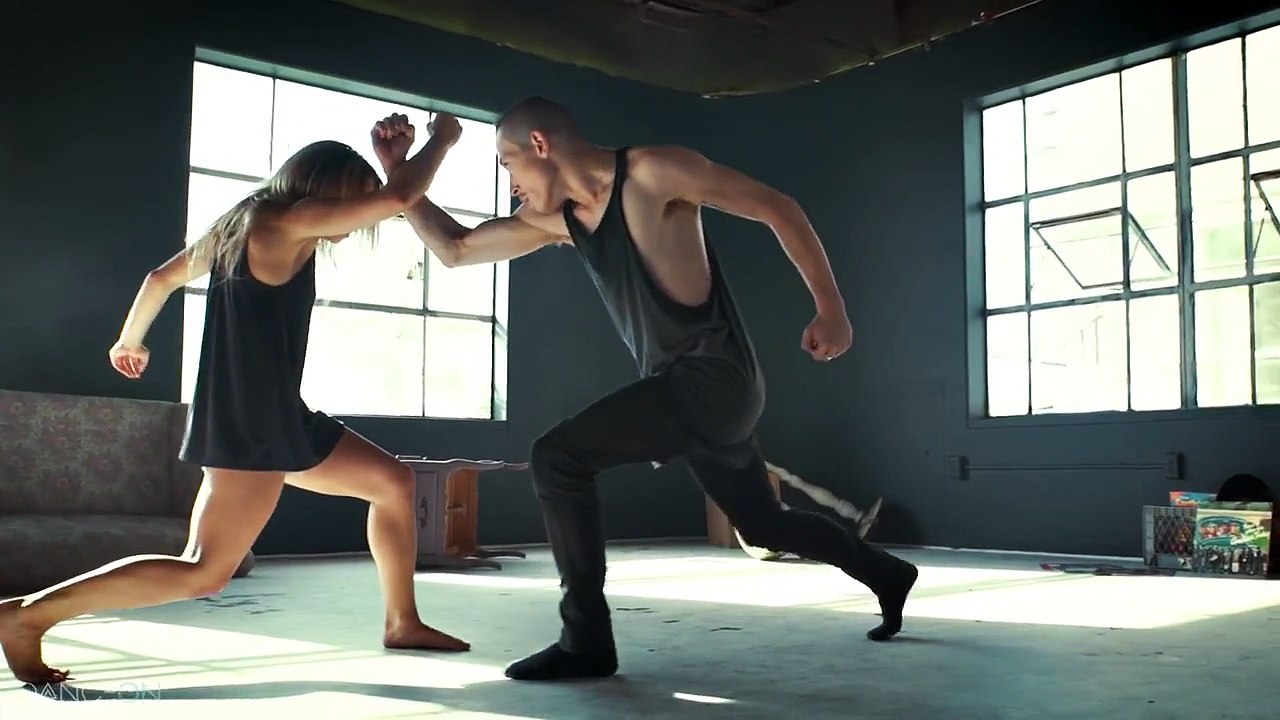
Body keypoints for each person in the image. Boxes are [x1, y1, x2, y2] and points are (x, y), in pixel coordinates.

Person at [373, 98, 919, 682]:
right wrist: (397, 175)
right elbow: (455, 248)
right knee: (762, 524)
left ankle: (586, 641)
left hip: (713, 381)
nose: (511, 186)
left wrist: (831, 308)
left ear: (539, 145)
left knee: (557, 458)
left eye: (508, 165)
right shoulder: (563, 221)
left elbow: (776, 206)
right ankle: (888, 574)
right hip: (690, 391)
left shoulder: (654, 172)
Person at [0, 113, 471, 686]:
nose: (353, 223)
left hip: (276, 415)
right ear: (323, 193)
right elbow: (398, 197)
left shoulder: (243, 223)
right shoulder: (286, 221)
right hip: (253, 425)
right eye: (352, 203)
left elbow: (159, 278)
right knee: (204, 570)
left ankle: (402, 621)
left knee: (393, 484)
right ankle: (25, 616)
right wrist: (442, 139)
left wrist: (129, 340)